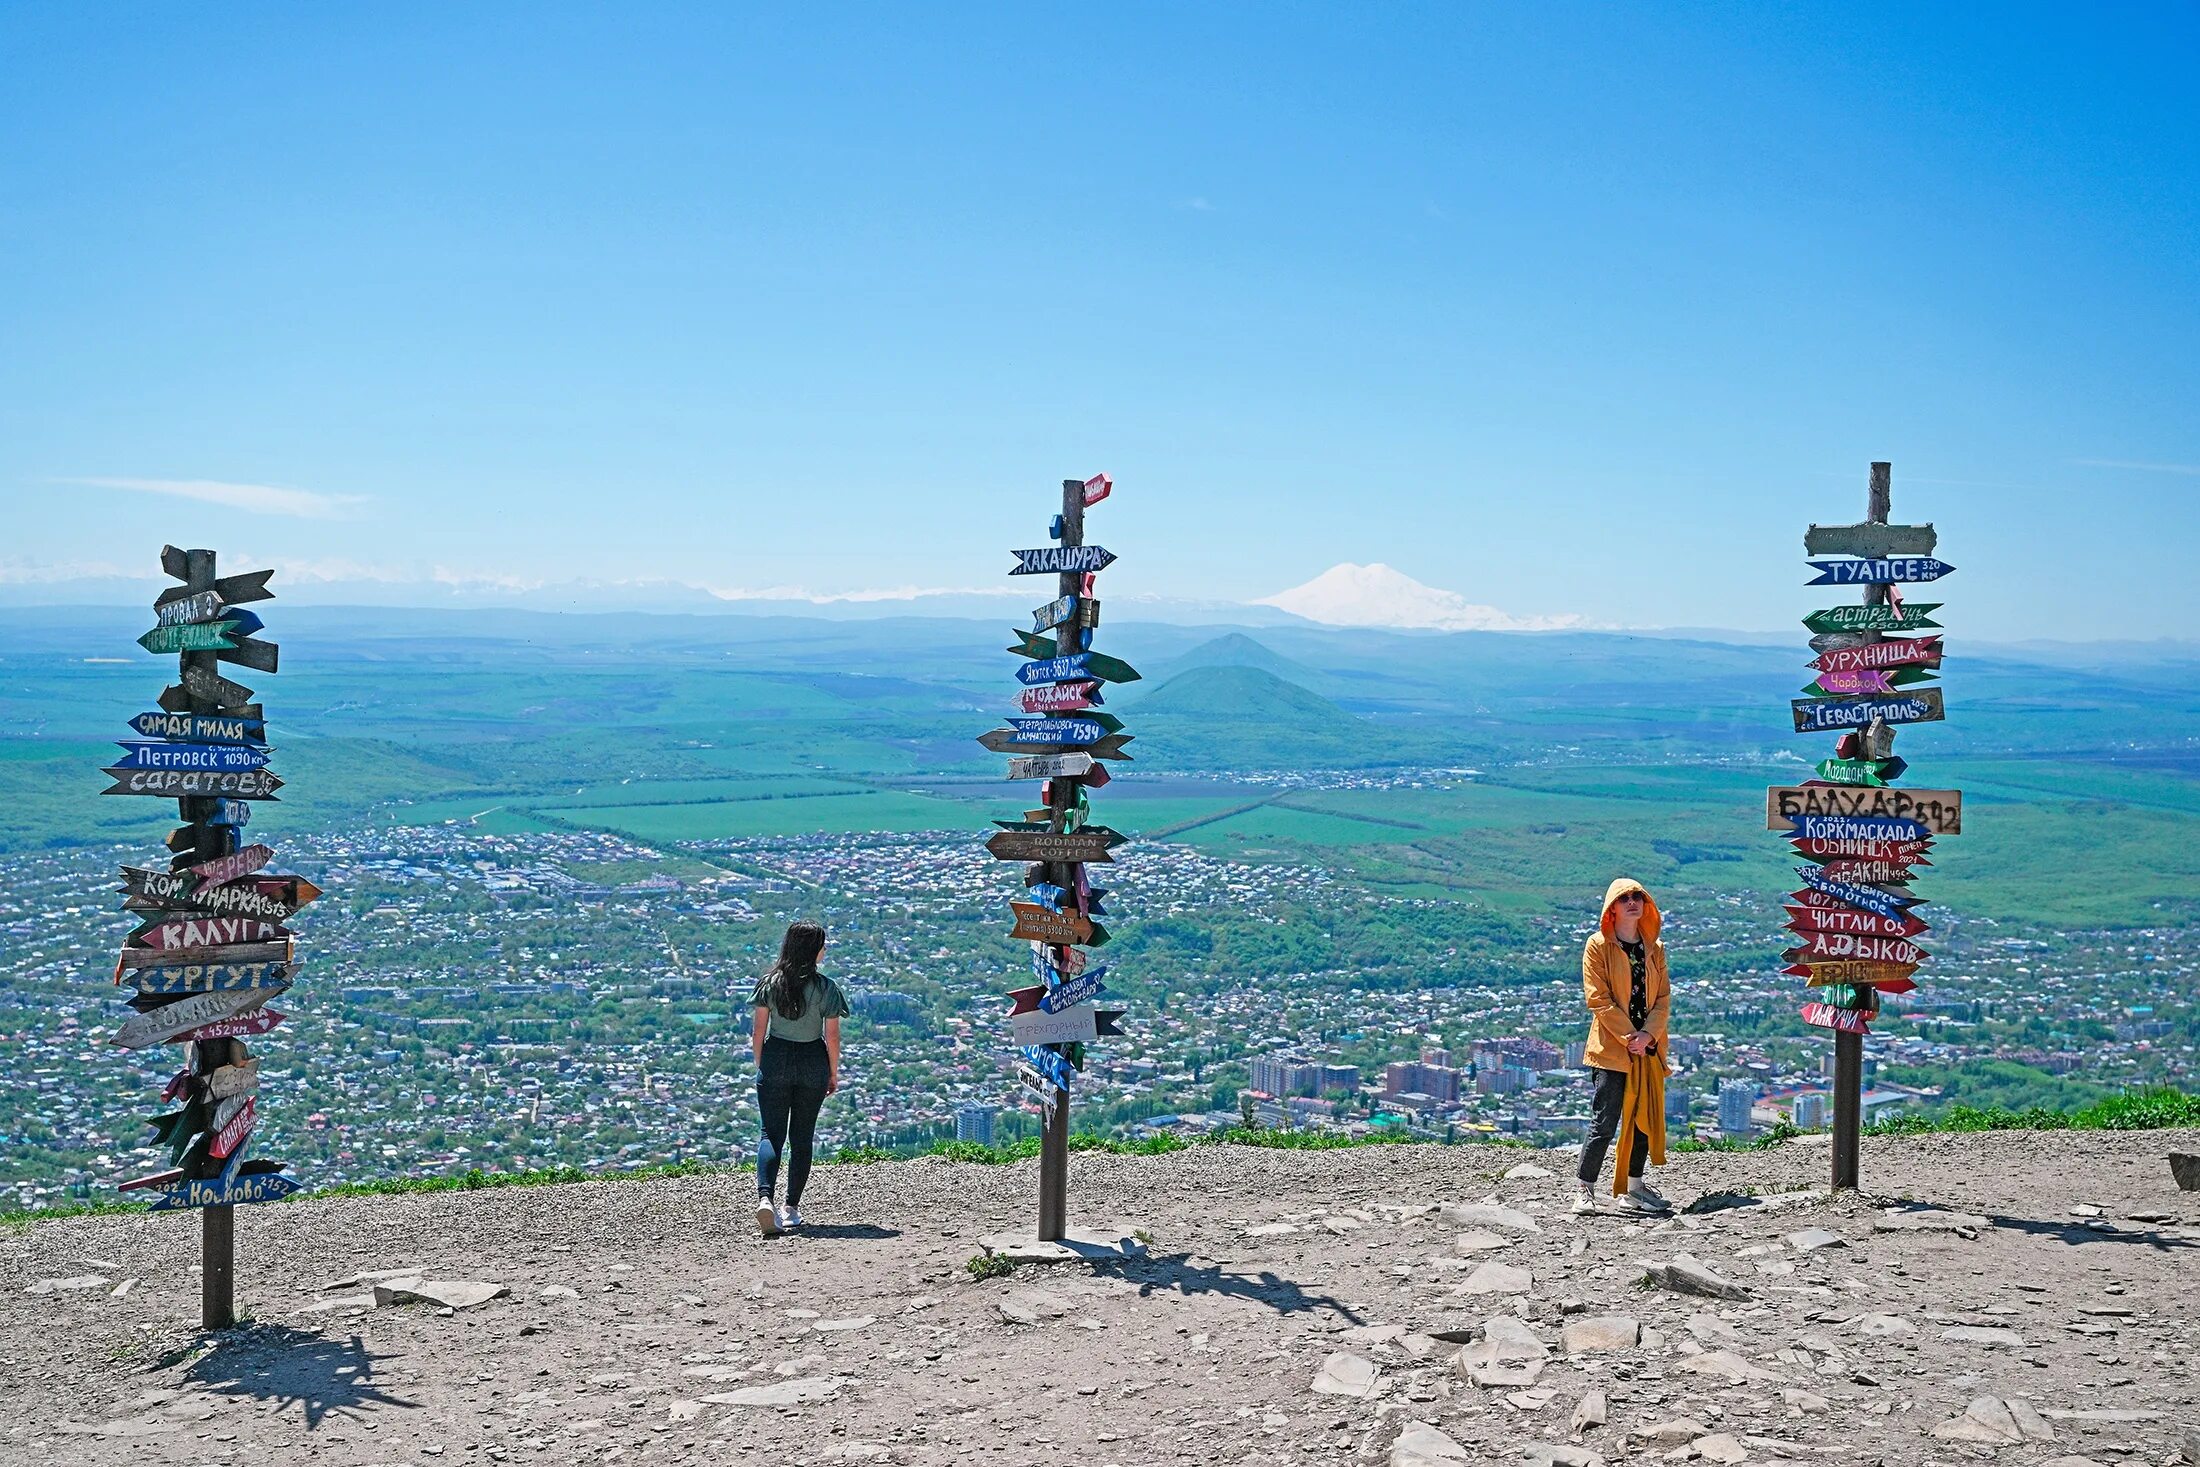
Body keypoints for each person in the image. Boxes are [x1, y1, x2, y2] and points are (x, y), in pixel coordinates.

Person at [1574, 878, 1671, 1214]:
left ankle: (1633, 1187)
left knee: (1642, 1117)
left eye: (1638, 897)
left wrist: (1648, 1036)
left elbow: (1663, 998)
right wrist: (1631, 1037)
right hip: (1611, 1048)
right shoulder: (1598, 945)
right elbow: (1597, 998)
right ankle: (1585, 1188)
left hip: (1648, 1047)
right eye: (1624, 898)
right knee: (1605, 1119)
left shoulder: (1654, 949)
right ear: (1611, 908)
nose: (1632, 902)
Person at [749, 921, 848, 1237]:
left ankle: (766, 1199)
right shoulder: (826, 989)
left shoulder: (769, 984)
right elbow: (831, 1037)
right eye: (823, 944)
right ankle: (790, 1208)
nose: (826, 949)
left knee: (771, 1135)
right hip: (812, 1061)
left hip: (776, 1056)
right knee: (802, 1137)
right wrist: (832, 1072)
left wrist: (763, 1064)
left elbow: (758, 1031)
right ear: (813, 950)